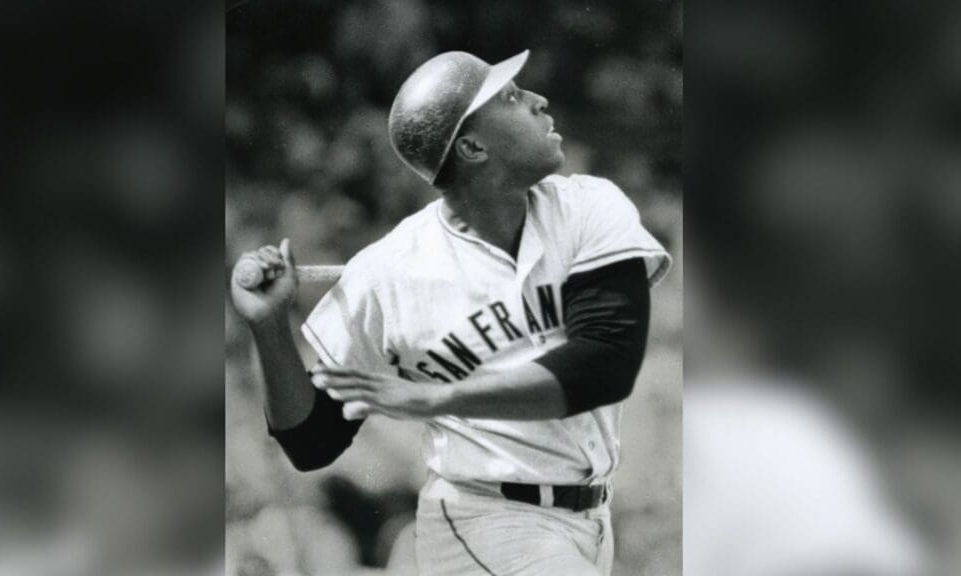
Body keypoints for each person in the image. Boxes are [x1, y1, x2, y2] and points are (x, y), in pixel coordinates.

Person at [231, 50, 671, 576]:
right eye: (510, 97)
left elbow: (607, 363)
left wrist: (436, 396)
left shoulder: (589, 207)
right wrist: (268, 327)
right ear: (472, 145)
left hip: (590, 518)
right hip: (484, 519)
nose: (538, 99)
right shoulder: (389, 269)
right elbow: (311, 441)